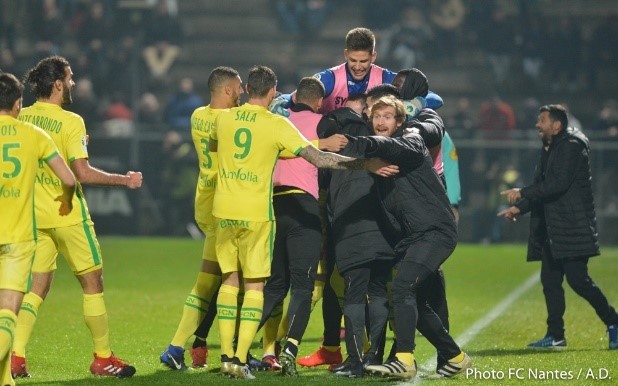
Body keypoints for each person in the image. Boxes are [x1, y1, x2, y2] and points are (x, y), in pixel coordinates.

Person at [209, 65, 398, 380]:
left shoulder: (224, 119)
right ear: (272, 92)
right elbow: (320, 159)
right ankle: (282, 352)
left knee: (235, 283)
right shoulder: (278, 124)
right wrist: (367, 164)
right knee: (293, 285)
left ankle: (229, 355)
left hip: (228, 210)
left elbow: (215, 148)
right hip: (268, 211)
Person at [11, 56, 142, 379]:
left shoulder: (22, 116)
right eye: (69, 78)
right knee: (92, 282)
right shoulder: (71, 122)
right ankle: (102, 357)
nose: (73, 83)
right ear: (57, 84)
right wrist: (124, 180)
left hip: (33, 217)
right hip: (67, 215)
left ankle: (15, 356)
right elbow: (80, 173)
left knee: (36, 287)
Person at [346, 95, 471, 380]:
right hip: (416, 236)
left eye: (387, 116)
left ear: (399, 121)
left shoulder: (411, 141)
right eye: (376, 117)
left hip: (436, 231)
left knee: (402, 287)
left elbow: (393, 144)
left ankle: (404, 358)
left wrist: (363, 144)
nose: (380, 121)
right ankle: (455, 356)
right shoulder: (383, 161)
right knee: (415, 301)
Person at [498, 104, 618, 350]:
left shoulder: (572, 147)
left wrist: (521, 191)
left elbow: (557, 184)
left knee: (579, 281)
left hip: (572, 226)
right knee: (550, 280)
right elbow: (543, 187)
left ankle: (613, 321)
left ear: (557, 125)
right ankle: (556, 335)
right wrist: (519, 207)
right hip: (555, 227)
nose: (537, 125)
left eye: (541, 120)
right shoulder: (550, 147)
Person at [256, 76, 349, 376]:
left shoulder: (276, 118)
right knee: (303, 287)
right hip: (304, 207)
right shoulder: (324, 124)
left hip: (271, 205)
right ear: (320, 102)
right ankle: (289, 352)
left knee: (273, 285)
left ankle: (236, 349)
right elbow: (324, 162)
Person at [159, 66, 243, 370]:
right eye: (239, 88)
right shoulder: (232, 120)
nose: (243, 92)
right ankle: (235, 353)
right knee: (240, 283)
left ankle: (179, 347)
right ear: (229, 90)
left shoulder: (197, 116)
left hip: (205, 200)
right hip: (227, 205)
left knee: (210, 281)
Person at [0, 72, 76, 386]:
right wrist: (66, 200)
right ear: (18, 104)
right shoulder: (32, 134)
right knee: (7, 313)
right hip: (17, 240)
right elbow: (69, 178)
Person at [269, 27, 442, 116]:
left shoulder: (385, 77)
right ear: (346, 54)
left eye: (364, 61)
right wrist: (280, 102)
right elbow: (298, 95)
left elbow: (435, 98)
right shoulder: (330, 79)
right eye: (353, 60)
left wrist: (418, 103)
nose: (358, 66)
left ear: (373, 56)